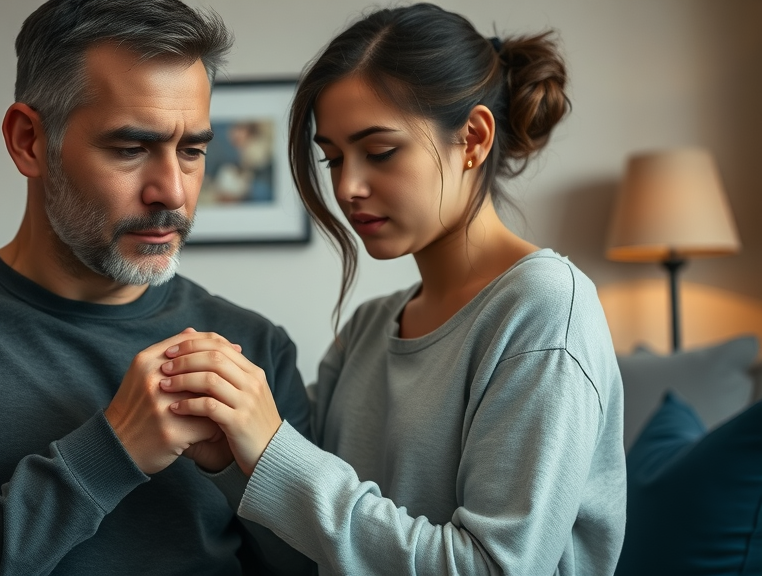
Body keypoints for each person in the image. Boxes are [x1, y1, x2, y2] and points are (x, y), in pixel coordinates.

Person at [0, 1, 314, 574]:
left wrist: (246, 472)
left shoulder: (256, 346)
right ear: (29, 141)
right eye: (131, 148)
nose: (174, 193)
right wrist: (113, 452)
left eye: (191, 151)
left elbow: (315, 567)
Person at [162, 3, 627, 574]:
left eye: (380, 152)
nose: (349, 186)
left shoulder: (545, 310)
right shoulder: (366, 331)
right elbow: (318, 553)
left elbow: (493, 567)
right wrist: (233, 464)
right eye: (332, 159)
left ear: (474, 139)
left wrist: (273, 451)